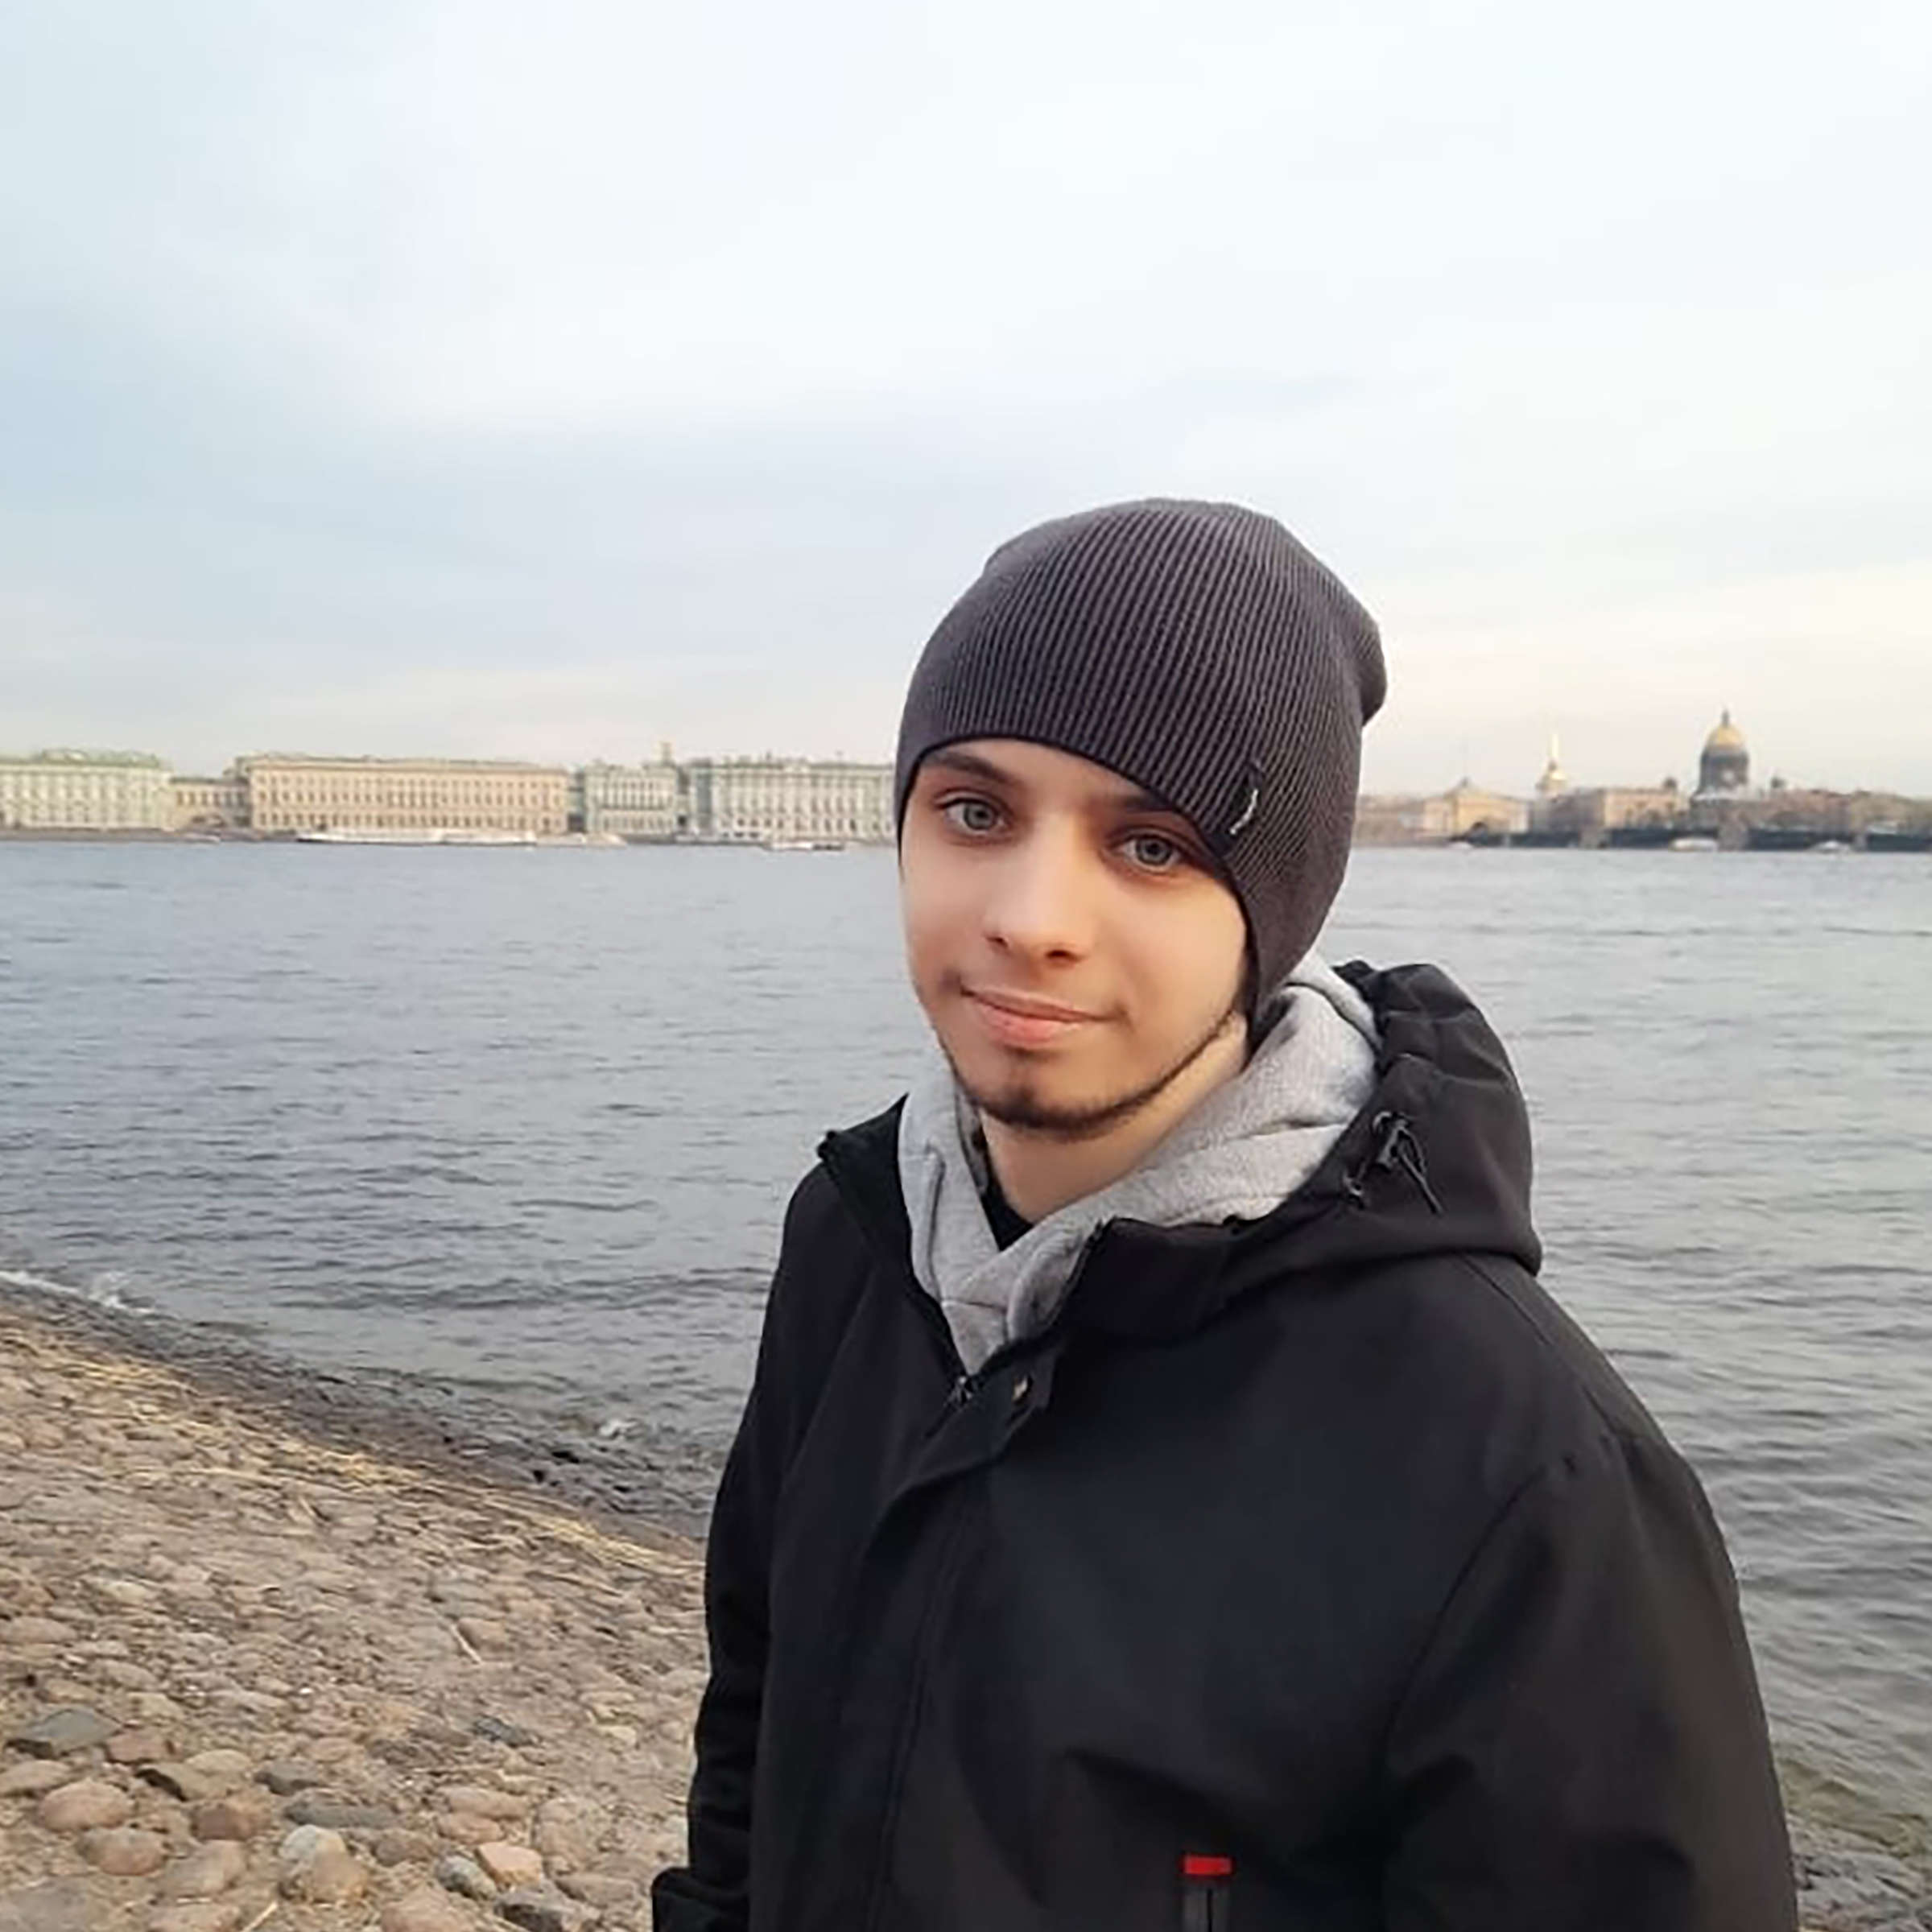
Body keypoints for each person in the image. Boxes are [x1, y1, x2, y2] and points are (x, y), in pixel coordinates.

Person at [651, 499, 1797, 1931]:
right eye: (976, 811)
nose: (1032, 916)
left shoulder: (1528, 1474)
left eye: (1150, 845)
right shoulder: (854, 1239)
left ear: (1278, 908)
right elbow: (758, 1725)